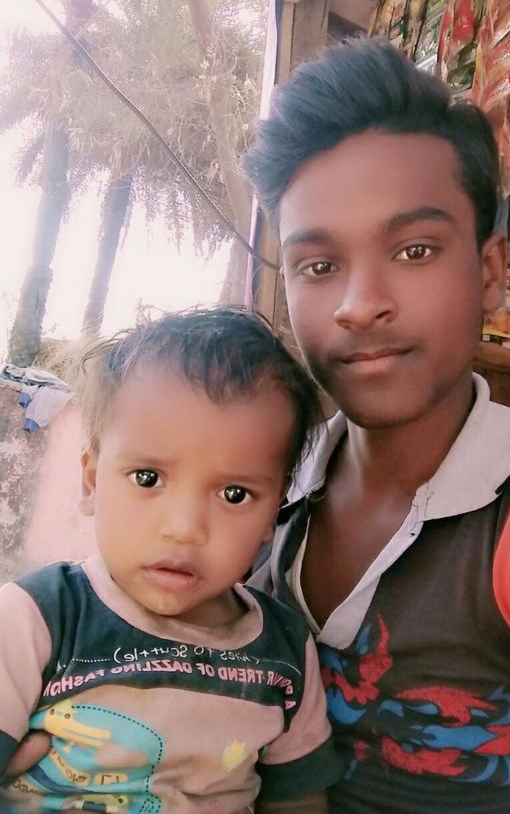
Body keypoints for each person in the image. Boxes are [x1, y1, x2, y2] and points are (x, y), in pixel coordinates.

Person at [242, 38, 510, 813]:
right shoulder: (253, 490)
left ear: (489, 272)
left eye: (414, 249)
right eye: (318, 265)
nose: (360, 304)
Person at [0, 308, 343, 813]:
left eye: (234, 494)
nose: (184, 528)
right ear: (92, 480)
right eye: (147, 478)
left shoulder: (285, 651)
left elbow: (299, 800)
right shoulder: (35, 620)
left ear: (274, 510)